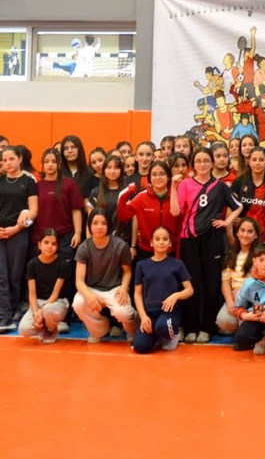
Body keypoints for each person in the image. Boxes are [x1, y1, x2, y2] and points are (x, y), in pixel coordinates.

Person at [171, 147, 242, 343]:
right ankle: (191, 326)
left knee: (211, 284)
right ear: (193, 165)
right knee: (191, 283)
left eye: (205, 160)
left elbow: (238, 206)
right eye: (198, 161)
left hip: (212, 239)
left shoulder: (219, 186)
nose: (202, 164)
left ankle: (207, 327)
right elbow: (175, 212)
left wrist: (227, 222)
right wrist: (173, 188)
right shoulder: (185, 184)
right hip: (189, 238)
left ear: (212, 163)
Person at [0, 146, 38, 334]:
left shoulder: (29, 182)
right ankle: (4, 317)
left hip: (17, 234)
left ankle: (13, 310)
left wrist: (16, 229)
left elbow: (33, 212)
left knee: (14, 275)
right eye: (4, 160)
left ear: (19, 159)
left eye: (11, 159)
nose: (8, 163)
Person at [73, 211, 137, 344]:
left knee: (123, 313)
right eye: (95, 223)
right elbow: (79, 281)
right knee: (78, 303)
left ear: (109, 226)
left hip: (115, 288)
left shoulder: (120, 245)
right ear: (89, 226)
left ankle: (132, 329)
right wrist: (89, 296)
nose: (99, 227)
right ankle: (99, 330)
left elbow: (127, 272)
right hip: (92, 289)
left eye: (103, 223)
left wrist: (124, 288)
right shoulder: (84, 248)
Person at [132, 226, 193, 354]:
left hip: (169, 312)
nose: (161, 242)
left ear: (170, 243)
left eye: (165, 239)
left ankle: (173, 335)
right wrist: (143, 317)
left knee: (163, 326)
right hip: (150, 313)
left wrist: (176, 296)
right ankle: (157, 336)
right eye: (157, 239)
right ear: (151, 242)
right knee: (140, 346)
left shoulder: (177, 264)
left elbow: (189, 290)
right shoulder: (141, 265)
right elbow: (137, 294)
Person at [119, 160, 179, 261]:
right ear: (149, 178)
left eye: (162, 174)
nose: (158, 177)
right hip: (146, 250)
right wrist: (125, 194)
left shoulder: (177, 195)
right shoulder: (141, 197)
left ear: (169, 177)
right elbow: (123, 216)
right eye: (154, 175)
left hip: (171, 250)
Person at [18, 231, 70, 344]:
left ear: (57, 246)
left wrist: (42, 311)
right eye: (46, 242)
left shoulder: (62, 264)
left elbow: (55, 293)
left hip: (57, 302)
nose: (50, 246)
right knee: (23, 329)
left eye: (53, 244)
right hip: (38, 302)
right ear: (39, 244)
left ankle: (51, 329)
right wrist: (36, 313)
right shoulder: (32, 264)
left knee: (48, 310)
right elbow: (32, 294)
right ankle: (43, 326)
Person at [35, 148, 84, 262]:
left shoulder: (69, 184)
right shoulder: (37, 186)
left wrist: (78, 233)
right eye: (46, 162)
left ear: (59, 164)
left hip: (65, 236)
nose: (50, 165)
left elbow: (76, 210)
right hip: (42, 236)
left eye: (53, 161)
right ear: (42, 165)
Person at [215, 218, 261, 334]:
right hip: (235, 298)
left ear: (256, 235)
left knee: (247, 332)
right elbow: (225, 282)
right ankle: (241, 327)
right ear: (237, 233)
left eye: (250, 231)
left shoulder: (260, 255)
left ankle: (248, 329)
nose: (245, 234)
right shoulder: (231, 254)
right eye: (242, 230)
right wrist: (230, 302)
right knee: (223, 321)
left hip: (253, 298)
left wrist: (242, 294)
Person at [231, 147, 265, 241]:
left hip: (264, 238)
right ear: (249, 162)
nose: (257, 163)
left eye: (261, 160)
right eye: (254, 159)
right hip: (242, 236)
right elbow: (231, 211)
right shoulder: (238, 182)